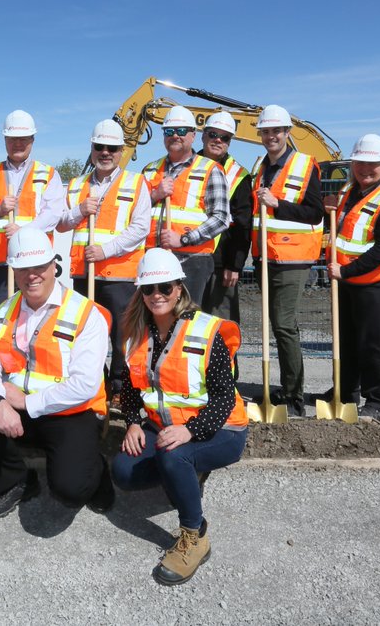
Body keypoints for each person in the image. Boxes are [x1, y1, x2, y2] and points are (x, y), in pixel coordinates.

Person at [111, 248, 248, 586]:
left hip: (222, 428)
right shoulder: (137, 336)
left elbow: (222, 398)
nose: (157, 295)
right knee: (124, 472)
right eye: (149, 289)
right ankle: (185, 472)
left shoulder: (207, 332)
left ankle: (194, 535)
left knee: (174, 455)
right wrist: (132, 421)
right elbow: (130, 391)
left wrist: (190, 431)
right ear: (141, 293)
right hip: (165, 427)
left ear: (180, 288)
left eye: (166, 287)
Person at [0, 228, 115, 520]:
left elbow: (84, 386)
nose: (32, 275)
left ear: (53, 266)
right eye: (23, 269)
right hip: (21, 407)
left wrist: (24, 404)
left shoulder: (85, 313)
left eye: (39, 267)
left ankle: (95, 466)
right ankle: (18, 481)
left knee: (70, 491)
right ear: (14, 272)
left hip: (72, 412)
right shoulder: (6, 310)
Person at [231, 104, 325, 417]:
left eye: (277, 131)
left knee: (284, 325)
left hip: (292, 258)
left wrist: (277, 204)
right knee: (275, 324)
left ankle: (293, 397)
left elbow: (314, 212)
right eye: (266, 131)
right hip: (265, 258)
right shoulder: (260, 167)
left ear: (287, 133)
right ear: (260, 134)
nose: (271, 136)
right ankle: (284, 389)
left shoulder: (304, 164)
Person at [56, 119, 150, 399]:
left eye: (112, 148)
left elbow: (141, 227)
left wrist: (106, 250)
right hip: (84, 274)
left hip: (120, 274)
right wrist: (80, 210)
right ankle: (97, 383)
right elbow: (61, 223)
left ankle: (122, 388)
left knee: (123, 335)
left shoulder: (135, 183)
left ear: (122, 150)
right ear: (92, 149)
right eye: (100, 147)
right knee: (88, 334)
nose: (105, 153)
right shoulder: (76, 185)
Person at [322, 134, 380, 422]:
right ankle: (345, 392)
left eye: (372, 163)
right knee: (347, 341)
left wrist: (345, 271)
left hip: (379, 282)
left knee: (377, 344)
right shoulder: (351, 191)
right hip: (350, 282)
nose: (364, 168)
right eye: (359, 162)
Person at [0, 110, 65, 321]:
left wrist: (25, 232)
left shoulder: (47, 173)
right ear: (5, 140)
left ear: (32, 140)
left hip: (35, 265)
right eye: (12, 139)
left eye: (23, 139)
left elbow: (53, 213)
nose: (18, 144)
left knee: (36, 323)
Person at [143, 106, 231, 305]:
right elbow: (133, 212)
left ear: (193, 135)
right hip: (152, 256)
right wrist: (155, 194)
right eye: (169, 131)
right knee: (153, 318)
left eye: (182, 131)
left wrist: (183, 239)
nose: (175, 135)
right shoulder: (149, 170)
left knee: (185, 319)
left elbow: (221, 218)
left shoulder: (210, 169)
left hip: (192, 260)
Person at [199, 111, 252, 326]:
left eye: (225, 137)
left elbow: (243, 224)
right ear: (203, 136)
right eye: (213, 134)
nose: (218, 140)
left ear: (230, 142)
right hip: (185, 260)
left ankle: (228, 362)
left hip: (219, 264)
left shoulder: (239, 175)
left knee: (221, 326)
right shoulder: (185, 166)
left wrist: (234, 265)